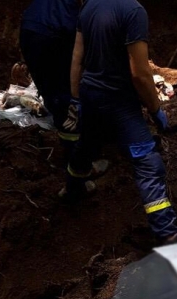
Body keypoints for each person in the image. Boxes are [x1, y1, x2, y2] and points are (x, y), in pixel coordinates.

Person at [61, 0, 177, 244]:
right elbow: (139, 73)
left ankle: (72, 190)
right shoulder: (133, 11)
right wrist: (156, 109)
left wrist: (76, 99)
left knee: (85, 146)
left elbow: (77, 59)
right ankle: (167, 233)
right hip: (119, 101)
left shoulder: (89, 7)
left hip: (90, 95)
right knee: (148, 163)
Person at [19, 0, 108, 175]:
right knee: (66, 93)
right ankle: (79, 162)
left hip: (30, 26)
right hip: (55, 31)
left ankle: (72, 149)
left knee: (51, 89)